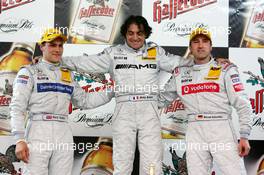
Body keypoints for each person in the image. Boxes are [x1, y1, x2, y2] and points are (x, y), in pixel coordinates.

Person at [61, 15, 195, 175]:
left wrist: (208, 61)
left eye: (139, 33)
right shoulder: (113, 53)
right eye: (131, 33)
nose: (135, 37)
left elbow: (181, 64)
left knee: (152, 163)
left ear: (146, 34)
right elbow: (85, 62)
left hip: (149, 111)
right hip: (124, 110)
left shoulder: (156, 51)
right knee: (122, 163)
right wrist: (57, 60)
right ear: (125, 34)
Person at [10, 28, 113, 175]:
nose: (57, 49)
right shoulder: (28, 72)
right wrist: (19, 139)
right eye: (53, 45)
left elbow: (85, 101)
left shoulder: (68, 74)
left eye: (60, 45)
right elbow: (17, 107)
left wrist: (112, 91)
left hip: (63, 130)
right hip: (38, 130)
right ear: (42, 46)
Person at [159, 28, 252, 175]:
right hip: (194, 130)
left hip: (221, 129)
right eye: (196, 42)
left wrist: (245, 136)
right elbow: (161, 99)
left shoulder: (225, 69)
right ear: (190, 48)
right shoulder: (180, 73)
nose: (200, 45)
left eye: (205, 41)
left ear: (211, 46)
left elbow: (242, 104)